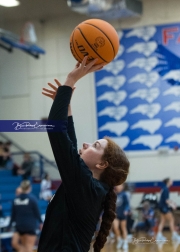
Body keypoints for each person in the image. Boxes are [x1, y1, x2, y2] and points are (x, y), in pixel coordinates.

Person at [37, 57, 130, 252]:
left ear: (102, 164)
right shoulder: (90, 186)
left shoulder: (87, 186)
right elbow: (69, 143)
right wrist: (67, 106)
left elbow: (57, 132)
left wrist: (70, 81)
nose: (87, 144)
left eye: (95, 145)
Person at [9, 180, 43, 252]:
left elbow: (13, 215)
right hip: (30, 226)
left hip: (20, 226)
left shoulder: (15, 199)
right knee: (29, 248)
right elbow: (37, 213)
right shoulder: (32, 199)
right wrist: (41, 222)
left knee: (24, 247)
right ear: (29, 188)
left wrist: (9, 225)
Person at [112, 184, 130, 250]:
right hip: (115, 214)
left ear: (123, 186)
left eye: (120, 185)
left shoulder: (124, 194)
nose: (118, 186)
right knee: (115, 228)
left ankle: (125, 242)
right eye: (117, 185)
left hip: (123, 214)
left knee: (123, 228)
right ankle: (119, 240)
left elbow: (127, 204)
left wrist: (126, 210)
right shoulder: (113, 194)